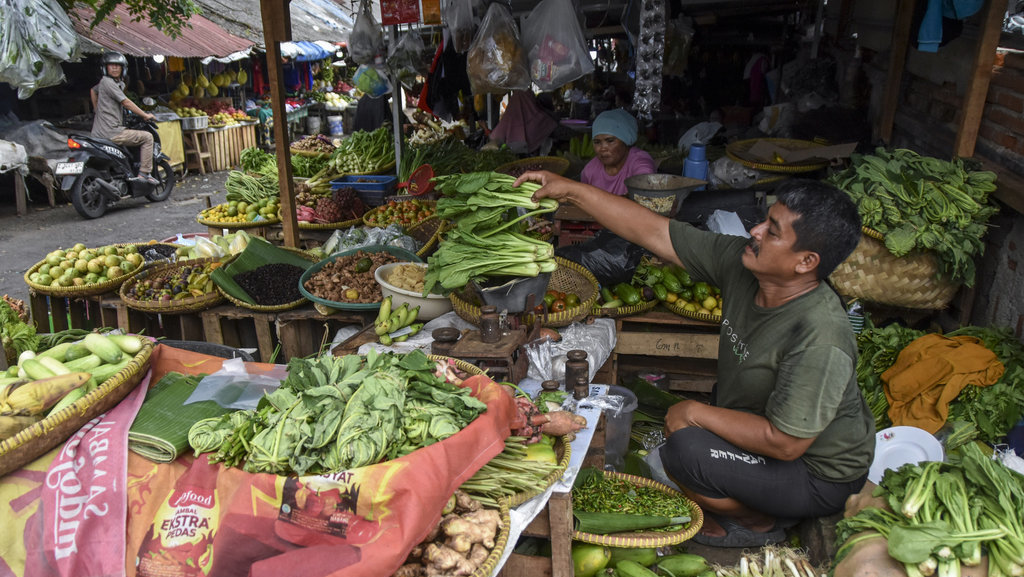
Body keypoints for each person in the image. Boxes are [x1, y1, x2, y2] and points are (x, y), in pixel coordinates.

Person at [513, 172, 875, 548]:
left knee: (685, 451)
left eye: (773, 231)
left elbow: (785, 442)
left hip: (817, 472)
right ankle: (746, 498)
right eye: (765, 220)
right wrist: (571, 189)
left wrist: (693, 412)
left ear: (805, 262)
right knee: (693, 427)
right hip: (769, 440)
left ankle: (760, 522)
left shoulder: (820, 335)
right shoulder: (742, 266)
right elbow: (657, 233)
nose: (756, 231)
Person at [90, 51, 158, 185]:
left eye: (118, 65)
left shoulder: (106, 83)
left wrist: (96, 109)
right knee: (148, 137)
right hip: (112, 132)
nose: (115, 68)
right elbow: (125, 102)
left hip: (98, 134)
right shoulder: (108, 82)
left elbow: (93, 90)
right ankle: (144, 174)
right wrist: (145, 115)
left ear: (123, 69)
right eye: (111, 65)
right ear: (105, 68)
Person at [579, 108, 656, 196]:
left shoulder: (640, 162)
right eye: (597, 142)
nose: (602, 148)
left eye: (610, 141)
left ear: (626, 140)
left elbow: (642, 192)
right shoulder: (590, 170)